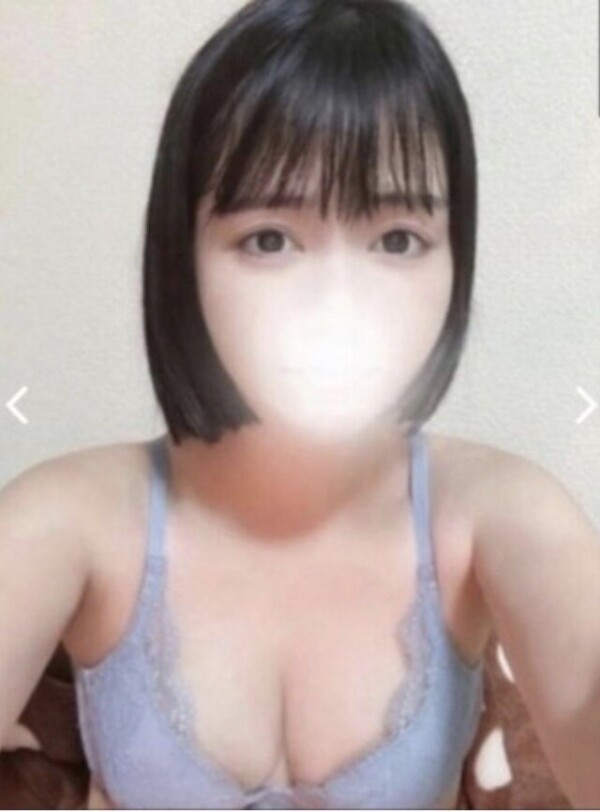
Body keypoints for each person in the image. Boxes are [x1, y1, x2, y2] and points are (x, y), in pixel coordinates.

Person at [2, 0, 599, 809]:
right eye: (269, 239)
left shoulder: (500, 515)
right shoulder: (64, 522)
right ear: (183, 255)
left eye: (397, 239)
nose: (337, 304)